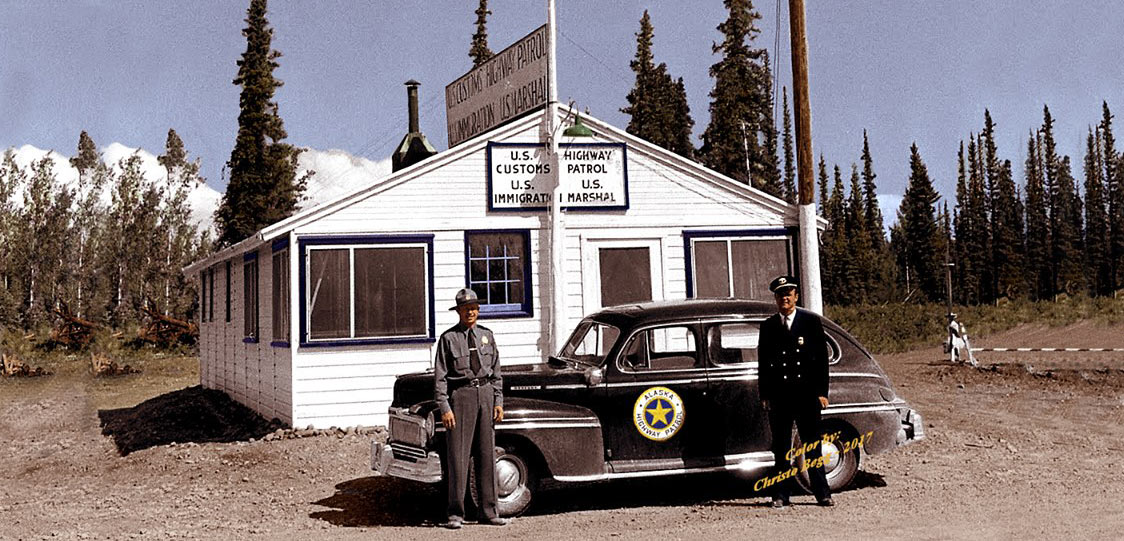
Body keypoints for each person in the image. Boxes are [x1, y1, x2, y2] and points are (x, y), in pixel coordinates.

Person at [757, 275, 834, 508]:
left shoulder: (810, 323)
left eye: (789, 294)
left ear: (796, 296)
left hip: (807, 396)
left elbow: (821, 360)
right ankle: (780, 495)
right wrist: (765, 395)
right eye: (781, 295)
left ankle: (822, 493)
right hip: (780, 398)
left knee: (811, 447)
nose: (785, 298)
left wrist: (822, 392)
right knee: (781, 449)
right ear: (776, 299)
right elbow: (763, 364)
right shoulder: (768, 326)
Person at [434, 288, 508, 529]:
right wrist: (444, 406)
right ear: (459, 312)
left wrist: (498, 401)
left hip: (485, 395)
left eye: (474, 309)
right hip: (461, 398)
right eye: (466, 309)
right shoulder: (448, 339)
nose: (471, 313)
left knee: (487, 455)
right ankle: (456, 513)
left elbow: (496, 372)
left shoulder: (487, 335)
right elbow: (441, 378)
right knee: (458, 457)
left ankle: (489, 511)